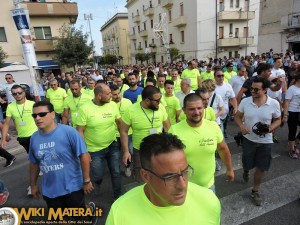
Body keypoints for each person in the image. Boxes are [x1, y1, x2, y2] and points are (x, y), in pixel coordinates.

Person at [106, 133, 221, 225]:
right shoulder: (119, 213)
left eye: (185, 172)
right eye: (170, 177)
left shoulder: (209, 201)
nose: (182, 185)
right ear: (145, 176)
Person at [28, 101, 97, 224]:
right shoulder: (34, 138)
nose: (37, 118)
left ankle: (89, 214)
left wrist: (86, 180)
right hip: (50, 190)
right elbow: (34, 163)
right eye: (35, 115)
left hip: (72, 187)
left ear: (53, 114)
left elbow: (84, 155)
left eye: (42, 114)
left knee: (78, 217)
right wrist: (33, 185)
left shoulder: (69, 132)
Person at [169, 93, 234, 191]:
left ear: (204, 107)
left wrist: (229, 169)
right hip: (184, 188)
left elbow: (222, 149)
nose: (196, 112)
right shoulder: (174, 131)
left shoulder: (213, 126)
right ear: (184, 110)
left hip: (209, 186)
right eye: (191, 109)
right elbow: (169, 160)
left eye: (199, 108)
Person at [234, 76, 281, 206]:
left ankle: (255, 190)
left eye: (256, 89)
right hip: (248, 139)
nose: (252, 91)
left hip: (266, 141)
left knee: (262, 167)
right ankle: (246, 170)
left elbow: (278, 119)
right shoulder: (245, 101)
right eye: (251, 89)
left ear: (265, 90)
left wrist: (271, 127)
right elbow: (237, 117)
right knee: (247, 163)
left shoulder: (274, 103)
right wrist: (242, 126)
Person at [76, 84, 123, 200]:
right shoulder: (84, 108)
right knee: (98, 175)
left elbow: (119, 123)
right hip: (94, 150)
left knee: (116, 172)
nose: (111, 96)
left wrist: (123, 138)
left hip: (112, 145)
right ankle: (97, 183)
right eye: (108, 94)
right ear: (99, 95)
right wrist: (84, 151)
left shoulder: (112, 105)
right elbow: (80, 130)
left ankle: (118, 197)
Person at [120, 86, 170, 181]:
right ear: (147, 100)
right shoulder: (131, 110)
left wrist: (168, 146)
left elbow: (168, 127)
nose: (160, 102)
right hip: (139, 151)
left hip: (158, 149)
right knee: (141, 177)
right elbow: (123, 131)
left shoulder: (161, 108)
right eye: (157, 100)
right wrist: (126, 151)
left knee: (159, 175)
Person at [1, 85, 38, 195]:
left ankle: (32, 185)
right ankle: (39, 167)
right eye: (14, 93)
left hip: (35, 135)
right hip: (22, 138)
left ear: (24, 93)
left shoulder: (32, 104)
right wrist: (3, 138)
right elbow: (6, 123)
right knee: (33, 157)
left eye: (19, 92)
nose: (17, 95)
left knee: (33, 159)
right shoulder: (11, 107)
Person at [110, 84, 133, 177]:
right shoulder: (109, 104)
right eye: (114, 94)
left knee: (128, 151)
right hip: (114, 134)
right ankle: (117, 170)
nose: (118, 96)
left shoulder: (128, 102)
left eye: (119, 93)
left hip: (128, 133)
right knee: (115, 154)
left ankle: (127, 167)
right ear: (110, 95)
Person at [282, 72, 300, 159]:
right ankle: (292, 149)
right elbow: (286, 102)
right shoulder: (292, 89)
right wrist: (285, 114)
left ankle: (295, 142)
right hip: (292, 112)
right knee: (292, 130)